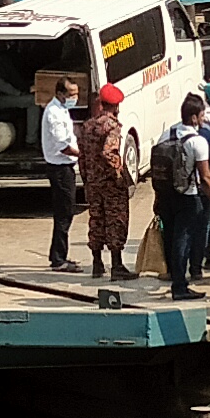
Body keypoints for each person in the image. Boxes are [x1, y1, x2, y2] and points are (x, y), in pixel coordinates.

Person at [154, 94, 210, 297]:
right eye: (201, 116)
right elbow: (206, 177)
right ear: (193, 118)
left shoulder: (166, 133)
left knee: (170, 237)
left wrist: (157, 197)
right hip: (187, 196)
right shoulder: (198, 142)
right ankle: (180, 287)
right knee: (183, 239)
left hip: (165, 195)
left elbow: (160, 168)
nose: (203, 119)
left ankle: (174, 275)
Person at [80, 92, 138, 296]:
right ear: (116, 106)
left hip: (93, 183)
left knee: (96, 220)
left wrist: (87, 178)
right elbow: (108, 152)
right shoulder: (112, 127)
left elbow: (82, 156)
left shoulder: (87, 126)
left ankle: (97, 263)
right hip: (110, 184)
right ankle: (116, 266)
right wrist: (118, 174)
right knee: (116, 220)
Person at [36, 75, 83, 272]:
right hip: (60, 168)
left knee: (66, 212)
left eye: (76, 93)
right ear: (60, 93)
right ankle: (58, 259)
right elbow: (62, 146)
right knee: (64, 213)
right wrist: (83, 155)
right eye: (71, 94)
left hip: (66, 167)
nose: (75, 97)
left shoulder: (63, 110)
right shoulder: (53, 113)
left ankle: (58, 254)